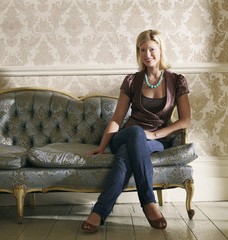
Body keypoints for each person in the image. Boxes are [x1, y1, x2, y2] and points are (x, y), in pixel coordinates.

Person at [81, 29, 190, 233]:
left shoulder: (177, 81)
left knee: (125, 158)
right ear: (138, 52)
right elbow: (117, 119)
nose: (147, 55)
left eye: (151, 49)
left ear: (160, 50)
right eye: (142, 50)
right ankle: (148, 202)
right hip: (126, 135)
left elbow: (185, 120)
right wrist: (102, 146)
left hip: (156, 140)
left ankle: (99, 211)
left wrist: (156, 134)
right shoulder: (132, 80)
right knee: (136, 133)